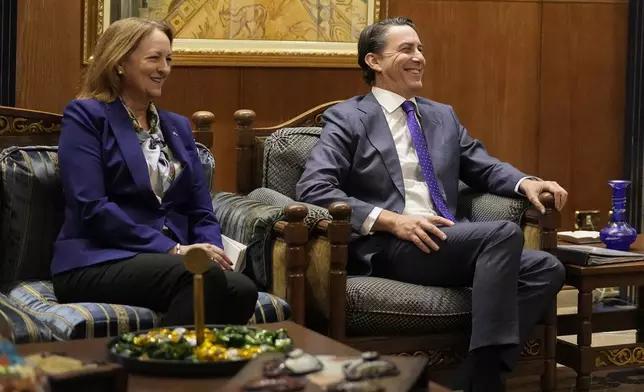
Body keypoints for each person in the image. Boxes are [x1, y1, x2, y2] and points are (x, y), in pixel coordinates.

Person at [296, 17, 567, 392]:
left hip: (449, 241)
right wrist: (391, 221)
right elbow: (314, 187)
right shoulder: (347, 117)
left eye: (420, 49)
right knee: (502, 234)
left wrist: (528, 182)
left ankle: (477, 376)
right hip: (394, 244)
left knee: (547, 268)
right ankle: (486, 384)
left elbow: (482, 166)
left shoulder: (442, 115)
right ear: (374, 62)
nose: (419, 57)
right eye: (406, 49)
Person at [51, 17, 258, 327]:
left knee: (242, 288)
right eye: (154, 58)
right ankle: (165, 369)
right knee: (199, 276)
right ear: (120, 62)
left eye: (169, 59)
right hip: (97, 257)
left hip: (163, 261)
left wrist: (213, 251)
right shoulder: (86, 116)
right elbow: (91, 207)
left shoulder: (176, 126)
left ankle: (210, 370)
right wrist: (174, 249)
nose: (164, 68)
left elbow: (201, 209)